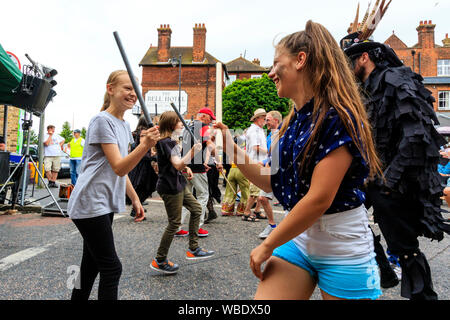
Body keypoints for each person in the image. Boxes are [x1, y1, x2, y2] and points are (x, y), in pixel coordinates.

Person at [214, 20, 384, 300]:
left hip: (343, 244)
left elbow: (320, 199)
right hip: (298, 239)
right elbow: (270, 179)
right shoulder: (292, 122)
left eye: (276, 64)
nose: (270, 73)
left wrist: (269, 243)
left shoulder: (338, 116)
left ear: (300, 60)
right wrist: (230, 145)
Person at [340, 22, 450, 299]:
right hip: (376, 177)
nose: (346, 68)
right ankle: (382, 268)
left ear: (364, 57)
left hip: (398, 181)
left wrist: (389, 178)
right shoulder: (365, 90)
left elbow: (416, 136)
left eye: (349, 61)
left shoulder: (395, 79)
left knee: (405, 248)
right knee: (340, 208)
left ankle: (424, 296)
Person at [67, 70, 160, 300]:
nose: (133, 94)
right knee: (112, 267)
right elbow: (120, 166)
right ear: (110, 89)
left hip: (103, 203)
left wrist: (135, 198)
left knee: (90, 266)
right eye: (127, 88)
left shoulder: (122, 124)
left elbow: (121, 169)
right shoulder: (101, 121)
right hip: (90, 202)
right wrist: (145, 145)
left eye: (136, 90)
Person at [151, 111, 215, 274]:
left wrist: (186, 167)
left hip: (177, 183)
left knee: (196, 209)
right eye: (179, 122)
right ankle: (160, 259)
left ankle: (193, 248)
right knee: (174, 223)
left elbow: (174, 165)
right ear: (172, 125)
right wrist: (192, 152)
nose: (181, 124)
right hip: (169, 187)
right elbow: (177, 164)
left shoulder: (169, 142)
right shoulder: (167, 142)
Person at [178, 107, 220, 237]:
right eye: (210, 118)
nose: (210, 121)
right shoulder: (203, 126)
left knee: (186, 197)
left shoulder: (187, 127)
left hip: (185, 165)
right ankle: (197, 226)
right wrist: (218, 161)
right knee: (203, 195)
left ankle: (177, 226)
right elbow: (210, 145)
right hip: (196, 169)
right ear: (203, 116)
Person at [125, 115, 158, 222]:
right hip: (142, 164)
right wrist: (154, 156)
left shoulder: (138, 131)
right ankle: (136, 209)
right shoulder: (143, 132)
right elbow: (143, 146)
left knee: (142, 186)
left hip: (139, 162)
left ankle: (136, 208)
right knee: (146, 185)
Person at [258, 110, 283, 239]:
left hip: (280, 171)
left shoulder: (282, 134)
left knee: (288, 203)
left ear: (276, 120)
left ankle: (288, 231)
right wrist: (262, 162)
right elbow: (270, 155)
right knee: (262, 198)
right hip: (270, 169)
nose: (265, 122)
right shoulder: (270, 135)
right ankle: (272, 226)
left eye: (267, 119)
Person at [242, 108, 268, 222]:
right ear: (257, 119)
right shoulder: (254, 131)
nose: (265, 121)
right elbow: (255, 147)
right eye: (264, 118)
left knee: (262, 189)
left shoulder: (259, 130)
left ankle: (257, 211)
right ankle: (247, 212)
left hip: (260, 162)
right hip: (255, 162)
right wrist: (270, 152)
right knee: (255, 190)